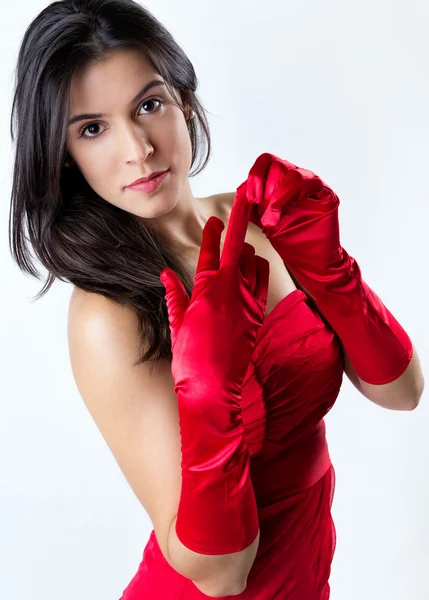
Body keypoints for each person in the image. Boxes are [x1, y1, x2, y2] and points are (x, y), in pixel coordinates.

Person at [9, 1, 424, 598]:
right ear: (64, 156)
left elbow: (402, 392)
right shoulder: (108, 315)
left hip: (307, 572)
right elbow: (219, 575)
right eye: (92, 128)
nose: (139, 149)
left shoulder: (262, 218)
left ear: (184, 100)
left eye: (149, 105)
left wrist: (333, 273)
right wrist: (208, 396)